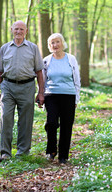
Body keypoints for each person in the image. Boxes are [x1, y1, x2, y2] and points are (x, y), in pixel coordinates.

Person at [0, 20, 45, 162]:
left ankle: (22, 152)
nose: (19, 32)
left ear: (26, 31)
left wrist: (41, 93)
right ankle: (5, 153)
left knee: (26, 121)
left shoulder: (33, 48)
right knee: (6, 119)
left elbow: (39, 72)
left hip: (27, 87)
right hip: (8, 87)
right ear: (11, 30)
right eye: (16, 29)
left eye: (21, 29)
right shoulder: (4, 48)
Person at [42, 33, 81, 164]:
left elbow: (77, 80)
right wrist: (41, 95)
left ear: (62, 43)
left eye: (57, 42)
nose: (55, 45)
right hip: (51, 95)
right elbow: (43, 80)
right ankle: (51, 150)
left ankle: (63, 156)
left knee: (66, 125)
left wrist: (76, 98)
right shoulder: (46, 60)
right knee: (51, 123)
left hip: (69, 95)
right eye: (52, 43)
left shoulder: (71, 59)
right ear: (49, 46)